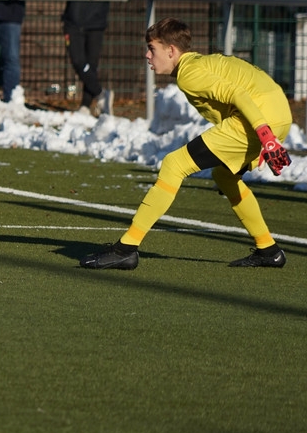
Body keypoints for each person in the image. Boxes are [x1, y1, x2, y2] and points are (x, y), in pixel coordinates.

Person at [80, 17, 293, 270]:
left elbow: (237, 94)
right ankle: (268, 249)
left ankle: (125, 250)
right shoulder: (197, 64)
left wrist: (264, 133)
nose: (147, 55)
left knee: (174, 164)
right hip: (276, 113)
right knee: (224, 176)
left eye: (152, 49)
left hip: (259, 119)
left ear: (171, 51)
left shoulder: (189, 73)